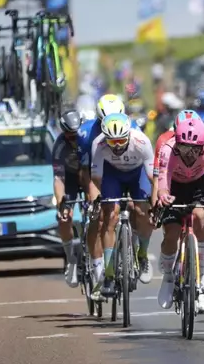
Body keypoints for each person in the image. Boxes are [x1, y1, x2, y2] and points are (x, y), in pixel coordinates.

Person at [156, 118, 204, 313]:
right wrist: (163, 196)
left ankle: (203, 274)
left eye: (194, 149)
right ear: (177, 142)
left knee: (200, 216)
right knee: (172, 233)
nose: (189, 154)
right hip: (174, 187)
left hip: (196, 185)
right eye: (185, 148)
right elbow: (162, 184)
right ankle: (168, 277)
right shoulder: (167, 150)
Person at [89, 113, 155, 298]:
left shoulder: (141, 141)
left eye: (120, 140)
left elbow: (154, 178)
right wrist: (96, 201)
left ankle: (142, 255)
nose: (117, 145)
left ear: (128, 135)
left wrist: (155, 204)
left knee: (143, 212)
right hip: (113, 174)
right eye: (112, 141)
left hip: (138, 173)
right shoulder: (98, 144)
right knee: (110, 215)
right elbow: (95, 179)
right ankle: (109, 274)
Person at [78, 94, 132, 300]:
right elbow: (85, 172)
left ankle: (133, 255)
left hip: (124, 169)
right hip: (98, 172)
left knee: (136, 208)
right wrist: (93, 197)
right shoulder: (86, 134)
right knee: (99, 217)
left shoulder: (132, 126)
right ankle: (98, 266)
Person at [51, 110, 84, 289]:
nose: (73, 139)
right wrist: (61, 203)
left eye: (76, 135)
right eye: (69, 136)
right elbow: (58, 179)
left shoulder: (89, 138)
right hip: (69, 180)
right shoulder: (59, 146)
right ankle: (71, 258)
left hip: (88, 176)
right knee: (64, 217)